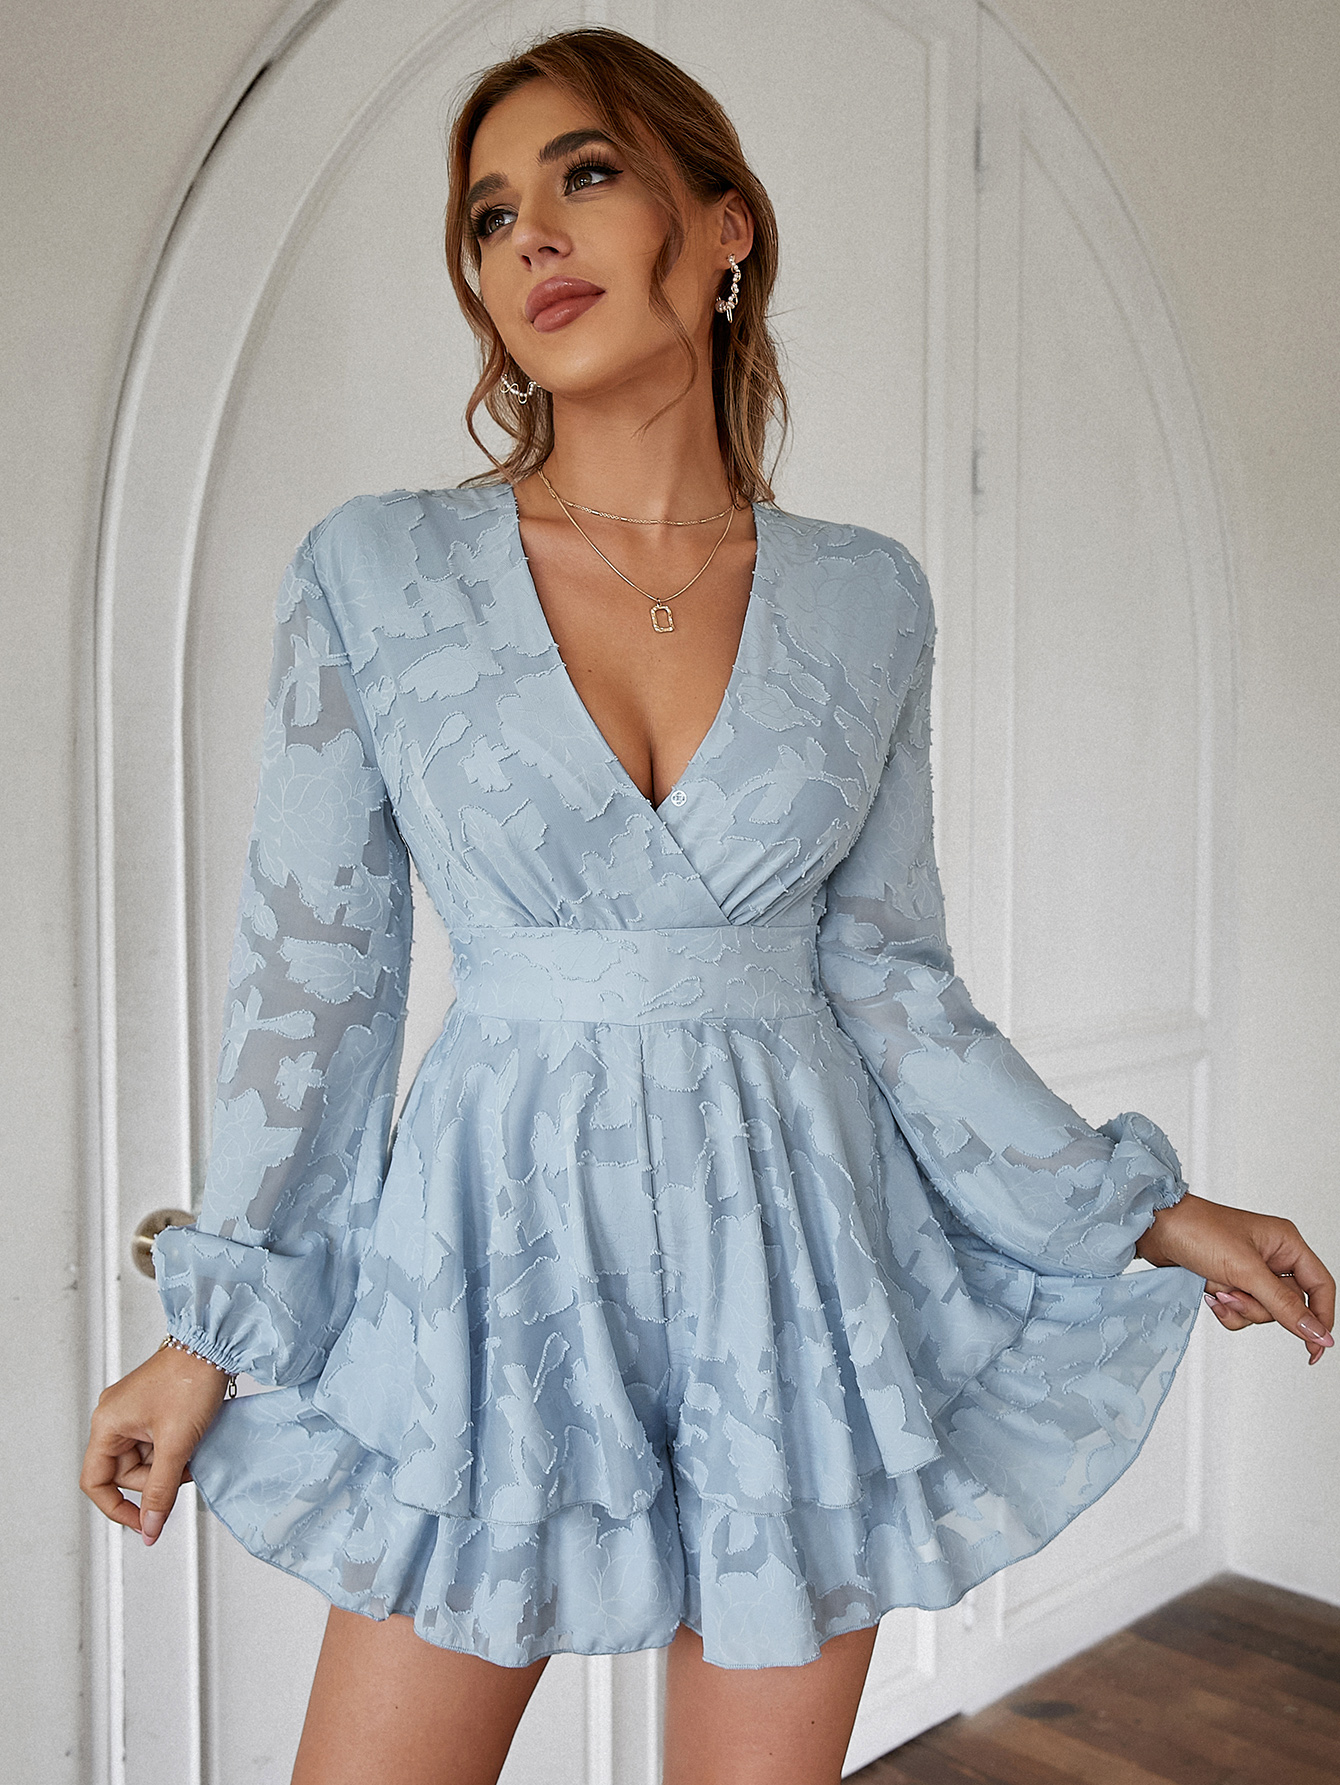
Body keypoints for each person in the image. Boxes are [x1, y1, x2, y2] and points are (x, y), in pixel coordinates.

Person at [81, 25, 1335, 1785]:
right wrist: (207, 1340)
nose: (529, 236)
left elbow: (892, 978)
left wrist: (1146, 1211)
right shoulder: (378, 571)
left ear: (723, 223)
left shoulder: (869, 599)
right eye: (488, 214)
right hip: (498, 1266)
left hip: (792, 1269)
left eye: (585, 175)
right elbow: (314, 986)